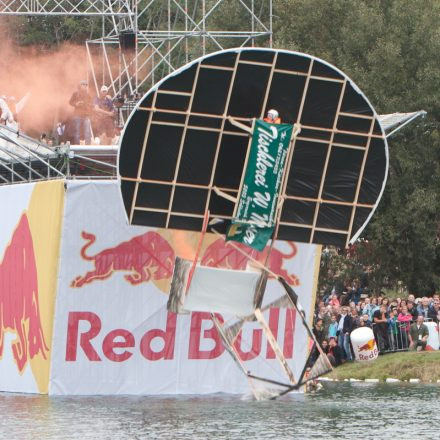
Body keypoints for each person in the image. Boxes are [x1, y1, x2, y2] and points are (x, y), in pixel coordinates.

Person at [69, 80, 92, 144]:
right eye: (83, 84)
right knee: (77, 132)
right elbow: (70, 102)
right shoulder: (75, 93)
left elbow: (91, 104)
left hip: (86, 115)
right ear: (80, 85)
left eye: (86, 85)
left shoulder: (88, 95)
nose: (85, 86)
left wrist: (86, 105)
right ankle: (77, 146)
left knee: (87, 132)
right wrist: (76, 104)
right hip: (77, 115)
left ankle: (88, 147)